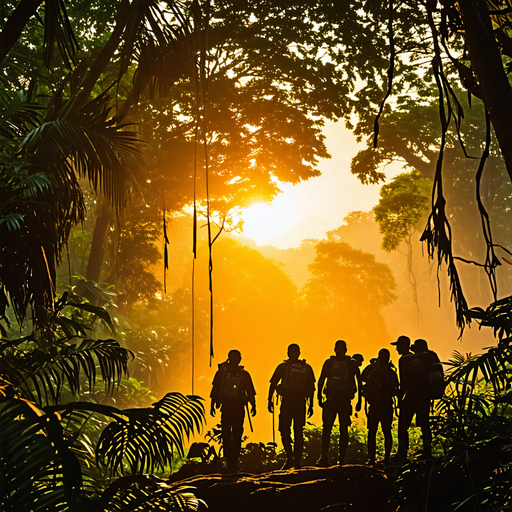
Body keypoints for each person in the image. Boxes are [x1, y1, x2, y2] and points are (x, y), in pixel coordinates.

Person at [268, 343, 316, 469]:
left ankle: (290, 457)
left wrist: (269, 400)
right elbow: (312, 388)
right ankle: (297, 460)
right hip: (300, 402)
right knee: (298, 431)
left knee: (284, 429)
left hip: (287, 401)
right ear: (299, 353)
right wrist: (311, 405)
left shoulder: (283, 366)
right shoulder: (306, 367)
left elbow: (273, 383)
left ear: (288, 353)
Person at [316, 340, 362, 467]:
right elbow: (359, 382)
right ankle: (341, 458)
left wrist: (319, 396)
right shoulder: (351, 364)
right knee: (343, 429)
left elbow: (321, 380)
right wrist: (359, 401)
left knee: (327, 429)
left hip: (330, 400)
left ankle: (323, 457)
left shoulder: (329, 362)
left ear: (335, 349)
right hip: (344, 401)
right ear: (345, 350)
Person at [210, 349, 256, 472]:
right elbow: (250, 391)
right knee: (236, 434)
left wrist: (213, 405)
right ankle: (233, 463)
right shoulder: (243, 374)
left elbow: (215, 389)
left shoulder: (222, 373)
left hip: (227, 407)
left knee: (228, 433)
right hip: (237, 407)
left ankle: (231, 462)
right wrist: (253, 405)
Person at [391, 335, 431, 461]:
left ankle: (402, 454)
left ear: (404, 346)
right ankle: (428, 452)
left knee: (403, 426)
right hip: (424, 396)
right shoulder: (419, 358)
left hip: (411, 397)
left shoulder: (404, 359)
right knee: (425, 425)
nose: (397, 349)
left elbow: (403, 381)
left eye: (398, 346)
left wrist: (400, 398)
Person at [363, 348, 399, 465]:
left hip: (376, 405)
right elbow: (396, 388)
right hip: (386, 405)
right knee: (386, 431)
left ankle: (372, 459)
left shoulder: (374, 370)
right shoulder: (391, 372)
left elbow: (363, 380)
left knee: (372, 432)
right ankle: (386, 458)